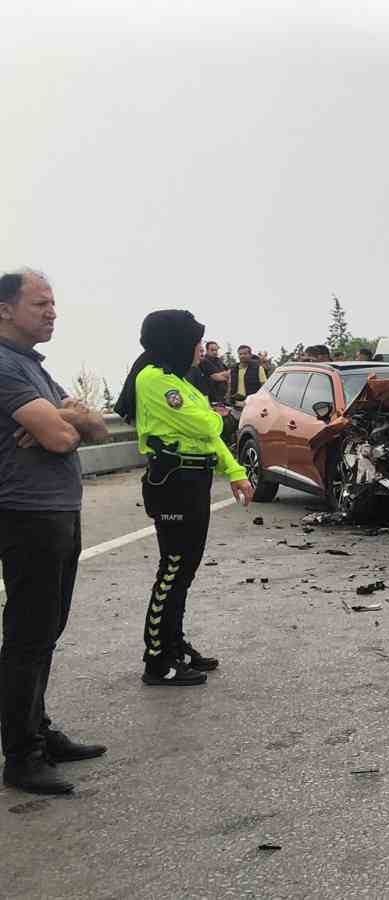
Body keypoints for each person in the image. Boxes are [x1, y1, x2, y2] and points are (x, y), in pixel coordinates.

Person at [0, 269, 109, 796]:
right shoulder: (3, 364)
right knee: (28, 635)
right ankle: (21, 755)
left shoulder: (34, 368)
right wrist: (64, 421)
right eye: (40, 303)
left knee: (48, 629)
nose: (52, 312)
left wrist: (63, 414)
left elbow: (96, 427)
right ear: (4, 309)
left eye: (54, 304)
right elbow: (65, 439)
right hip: (27, 513)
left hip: (58, 509)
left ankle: (38, 731)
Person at [114, 310, 254, 687]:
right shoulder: (154, 380)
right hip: (172, 480)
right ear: (174, 342)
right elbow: (206, 424)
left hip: (194, 477)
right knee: (173, 568)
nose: (198, 348)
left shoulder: (179, 379)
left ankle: (173, 643)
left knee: (185, 570)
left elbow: (209, 435)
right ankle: (157, 659)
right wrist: (214, 416)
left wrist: (236, 471)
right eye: (194, 341)